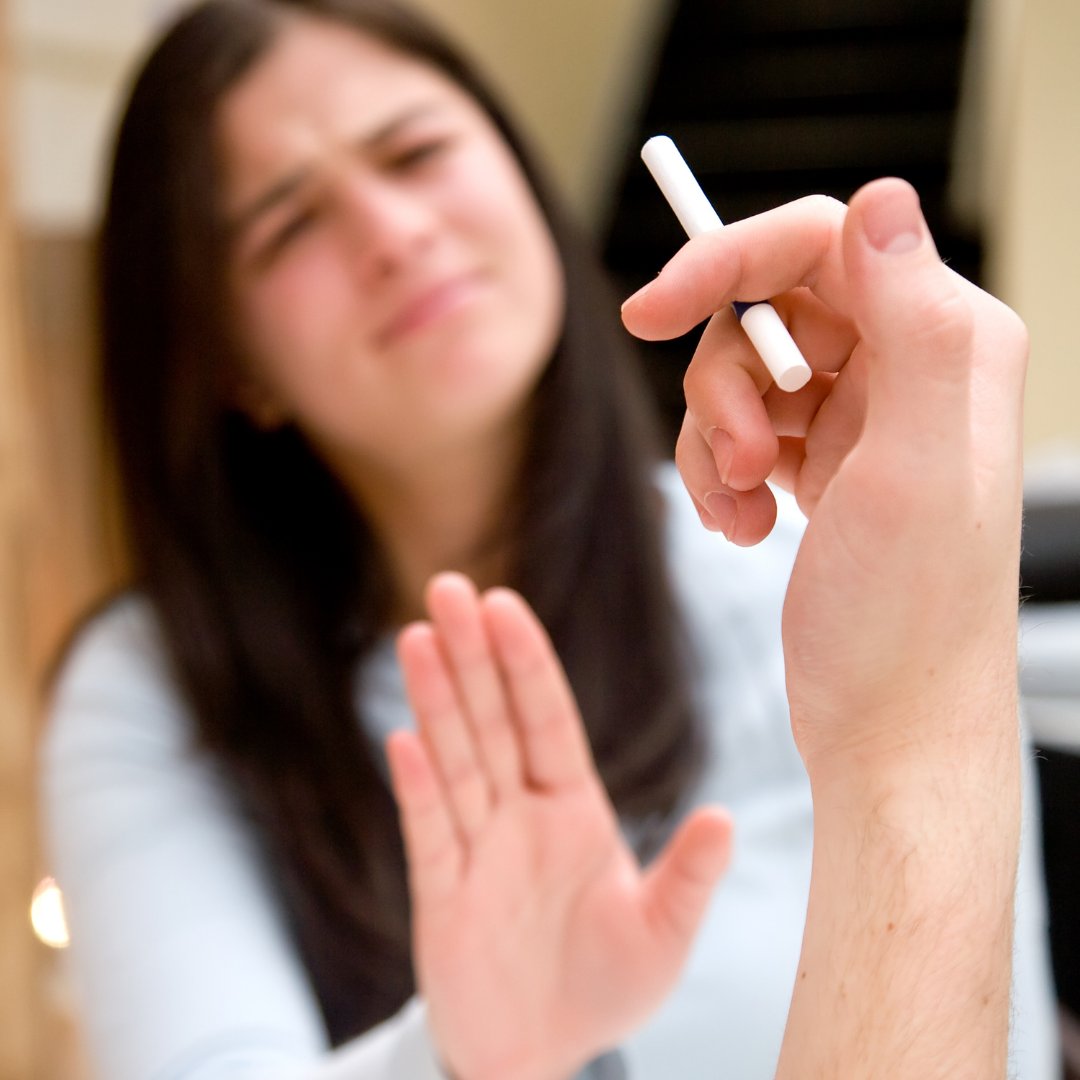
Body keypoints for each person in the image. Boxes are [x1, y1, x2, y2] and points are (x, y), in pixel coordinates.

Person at [38, 0, 1058, 1077]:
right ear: (229, 359)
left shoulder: (784, 564)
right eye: (289, 226)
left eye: (417, 152)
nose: (394, 235)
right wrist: (465, 1053)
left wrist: (930, 703)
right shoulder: (154, 691)